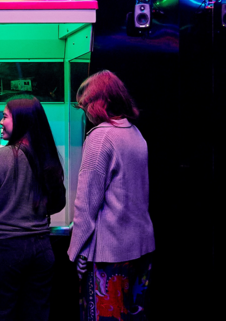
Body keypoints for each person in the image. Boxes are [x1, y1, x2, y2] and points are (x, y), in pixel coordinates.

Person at [0, 95, 66, 321]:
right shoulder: (47, 156)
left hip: (7, 250)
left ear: (21, 120)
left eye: (5, 117)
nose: (1, 122)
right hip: (42, 249)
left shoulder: (4, 155)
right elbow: (58, 203)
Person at [68, 70, 155, 321]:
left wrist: (77, 252)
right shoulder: (135, 133)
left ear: (100, 103)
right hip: (141, 248)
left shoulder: (101, 137)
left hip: (109, 255)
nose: (85, 112)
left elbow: (87, 204)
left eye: (85, 105)